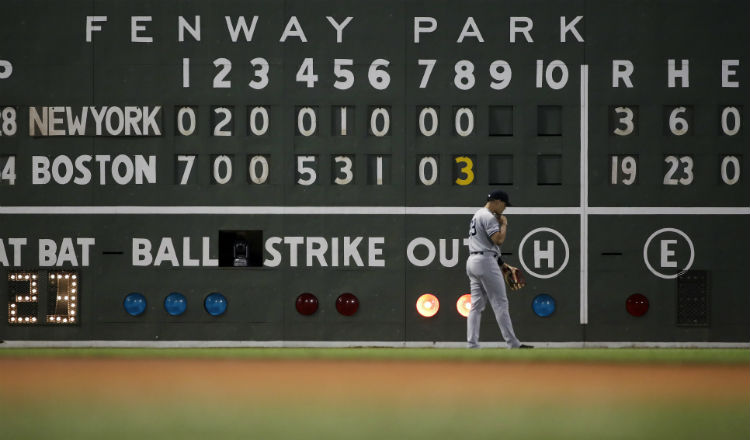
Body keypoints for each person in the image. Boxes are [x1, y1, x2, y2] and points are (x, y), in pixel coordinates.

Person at [466, 190, 532, 349]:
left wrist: (501, 264)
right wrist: (504, 224)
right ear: (496, 201)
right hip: (485, 261)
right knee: (500, 303)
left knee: (476, 306)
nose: (505, 208)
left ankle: (472, 344)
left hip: (473, 261)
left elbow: (488, 245)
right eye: (504, 204)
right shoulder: (488, 216)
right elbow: (498, 240)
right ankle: (513, 343)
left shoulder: (477, 215)